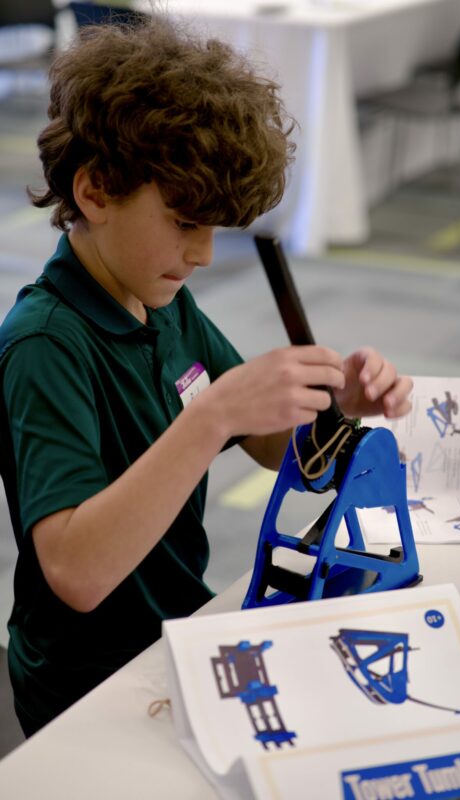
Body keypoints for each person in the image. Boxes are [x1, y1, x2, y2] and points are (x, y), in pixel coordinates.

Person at [0, 17, 413, 737]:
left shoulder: (162, 302)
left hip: (172, 637)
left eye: (216, 229)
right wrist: (211, 417)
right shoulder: (43, 344)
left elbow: (268, 445)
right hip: (86, 689)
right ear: (95, 192)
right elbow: (76, 572)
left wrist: (330, 404)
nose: (202, 256)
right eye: (185, 222)